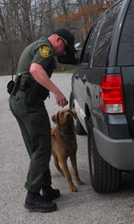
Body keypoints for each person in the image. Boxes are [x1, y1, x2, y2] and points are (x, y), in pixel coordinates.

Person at [9, 29, 77, 213]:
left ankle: (45, 188)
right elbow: (35, 69)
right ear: (58, 39)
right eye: (65, 48)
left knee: (36, 145)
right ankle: (32, 195)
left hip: (19, 100)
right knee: (43, 147)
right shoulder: (45, 47)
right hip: (29, 103)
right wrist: (56, 91)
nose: (64, 53)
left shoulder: (38, 46)